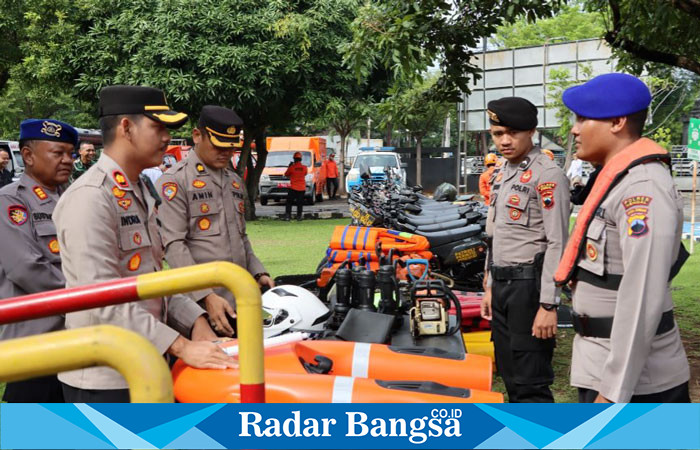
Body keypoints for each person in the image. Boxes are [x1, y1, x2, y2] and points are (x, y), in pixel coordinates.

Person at [53, 85, 234, 403]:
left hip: (145, 362)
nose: (167, 137)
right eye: (158, 127)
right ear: (126, 127)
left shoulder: (137, 189)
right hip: (105, 377)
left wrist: (196, 321)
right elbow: (102, 299)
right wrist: (181, 345)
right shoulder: (91, 197)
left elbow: (152, 278)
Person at [555, 73, 690, 403]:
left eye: (583, 118)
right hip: (602, 363)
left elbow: (642, 293)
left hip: (639, 384)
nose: (574, 129)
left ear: (617, 122)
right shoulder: (616, 177)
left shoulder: (642, 187)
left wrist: (615, 390)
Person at [480, 97, 570, 403]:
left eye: (513, 133)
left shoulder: (547, 174)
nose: (504, 141)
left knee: (530, 381)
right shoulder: (503, 171)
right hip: (503, 285)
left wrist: (549, 305)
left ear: (531, 131)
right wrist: (491, 285)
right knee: (509, 375)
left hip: (528, 289)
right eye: (497, 133)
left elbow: (558, 241)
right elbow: (495, 234)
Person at [156, 105, 273, 337]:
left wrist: (259, 273)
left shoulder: (234, 181)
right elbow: (174, 247)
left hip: (241, 303)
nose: (226, 153)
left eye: (231, 147)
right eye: (219, 145)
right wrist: (206, 296)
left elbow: (241, 238)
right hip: (200, 308)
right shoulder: (175, 182)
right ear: (197, 136)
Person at [0, 119, 77, 402]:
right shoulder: (9, 202)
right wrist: (89, 297)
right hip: (35, 341)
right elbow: (27, 269)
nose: (67, 160)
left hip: (77, 337)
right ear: (29, 156)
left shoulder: (73, 198)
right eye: (58, 153)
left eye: (71, 153)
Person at [284, 151, 307, 221]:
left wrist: (289, 166)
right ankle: (299, 217)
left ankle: (288, 216)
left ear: (294, 159)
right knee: (300, 203)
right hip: (302, 188)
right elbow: (305, 174)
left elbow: (286, 174)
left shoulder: (292, 167)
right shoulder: (304, 167)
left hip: (293, 188)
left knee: (289, 202)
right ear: (301, 159)